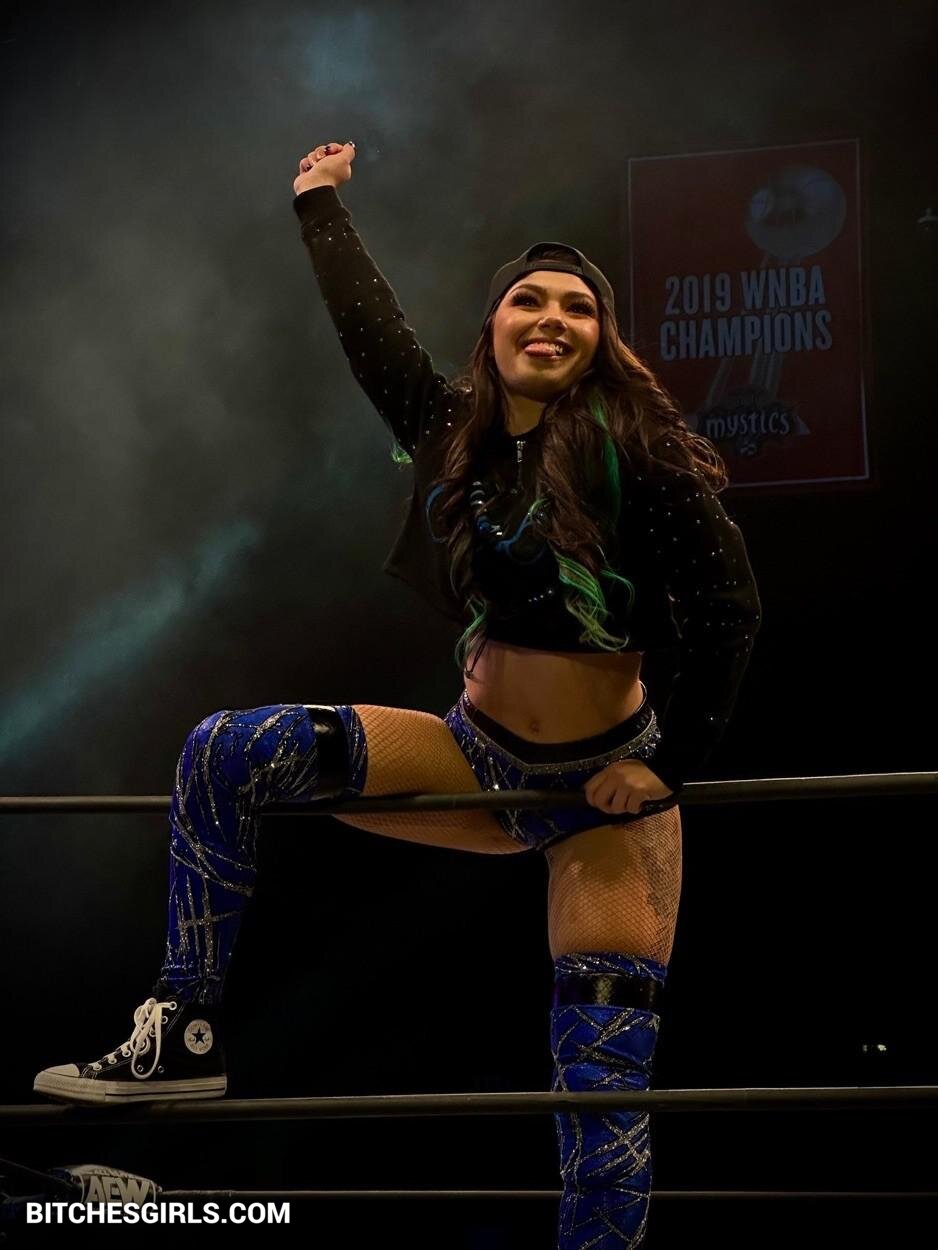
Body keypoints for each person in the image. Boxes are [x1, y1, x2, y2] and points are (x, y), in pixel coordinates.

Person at [33, 139, 761, 1248]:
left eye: (578, 306)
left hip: (602, 798)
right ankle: (183, 1030)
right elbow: (371, 334)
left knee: (601, 1081)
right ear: (494, 325)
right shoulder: (447, 431)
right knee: (225, 750)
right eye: (529, 299)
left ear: (602, 341)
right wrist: (318, 205)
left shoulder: (644, 457)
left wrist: (663, 768)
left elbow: (728, 611)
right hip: (475, 758)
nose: (552, 318)